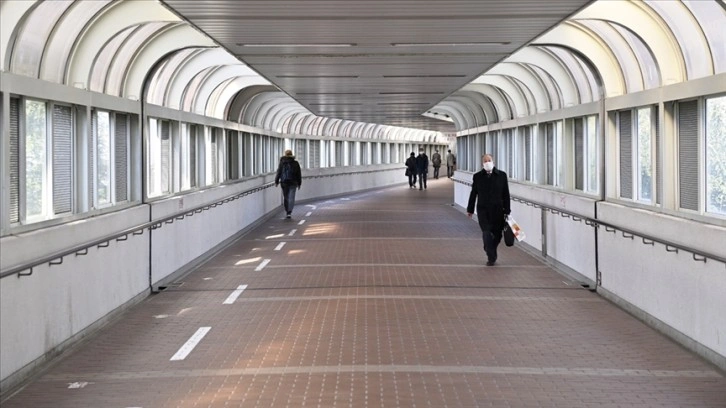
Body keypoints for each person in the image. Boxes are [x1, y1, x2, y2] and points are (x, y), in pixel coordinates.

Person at [467, 154, 510, 266]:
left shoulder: (502, 176)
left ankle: (491, 250)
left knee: (497, 235)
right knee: (486, 232)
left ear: (493, 161)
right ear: (482, 163)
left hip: (498, 210)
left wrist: (507, 210)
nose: (487, 162)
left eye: (489, 160)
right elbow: (473, 193)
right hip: (483, 210)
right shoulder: (477, 177)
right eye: (485, 161)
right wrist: (470, 209)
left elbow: (506, 194)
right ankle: (491, 256)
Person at [275, 149, 302, 219]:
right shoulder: (295, 163)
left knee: (286, 197)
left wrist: (276, 181)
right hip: (293, 182)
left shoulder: (282, 162)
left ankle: (287, 211)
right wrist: (299, 183)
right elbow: (298, 174)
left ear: (285, 155)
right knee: (291, 197)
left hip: (284, 182)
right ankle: (290, 211)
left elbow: (279, 172)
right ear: (291, 155)